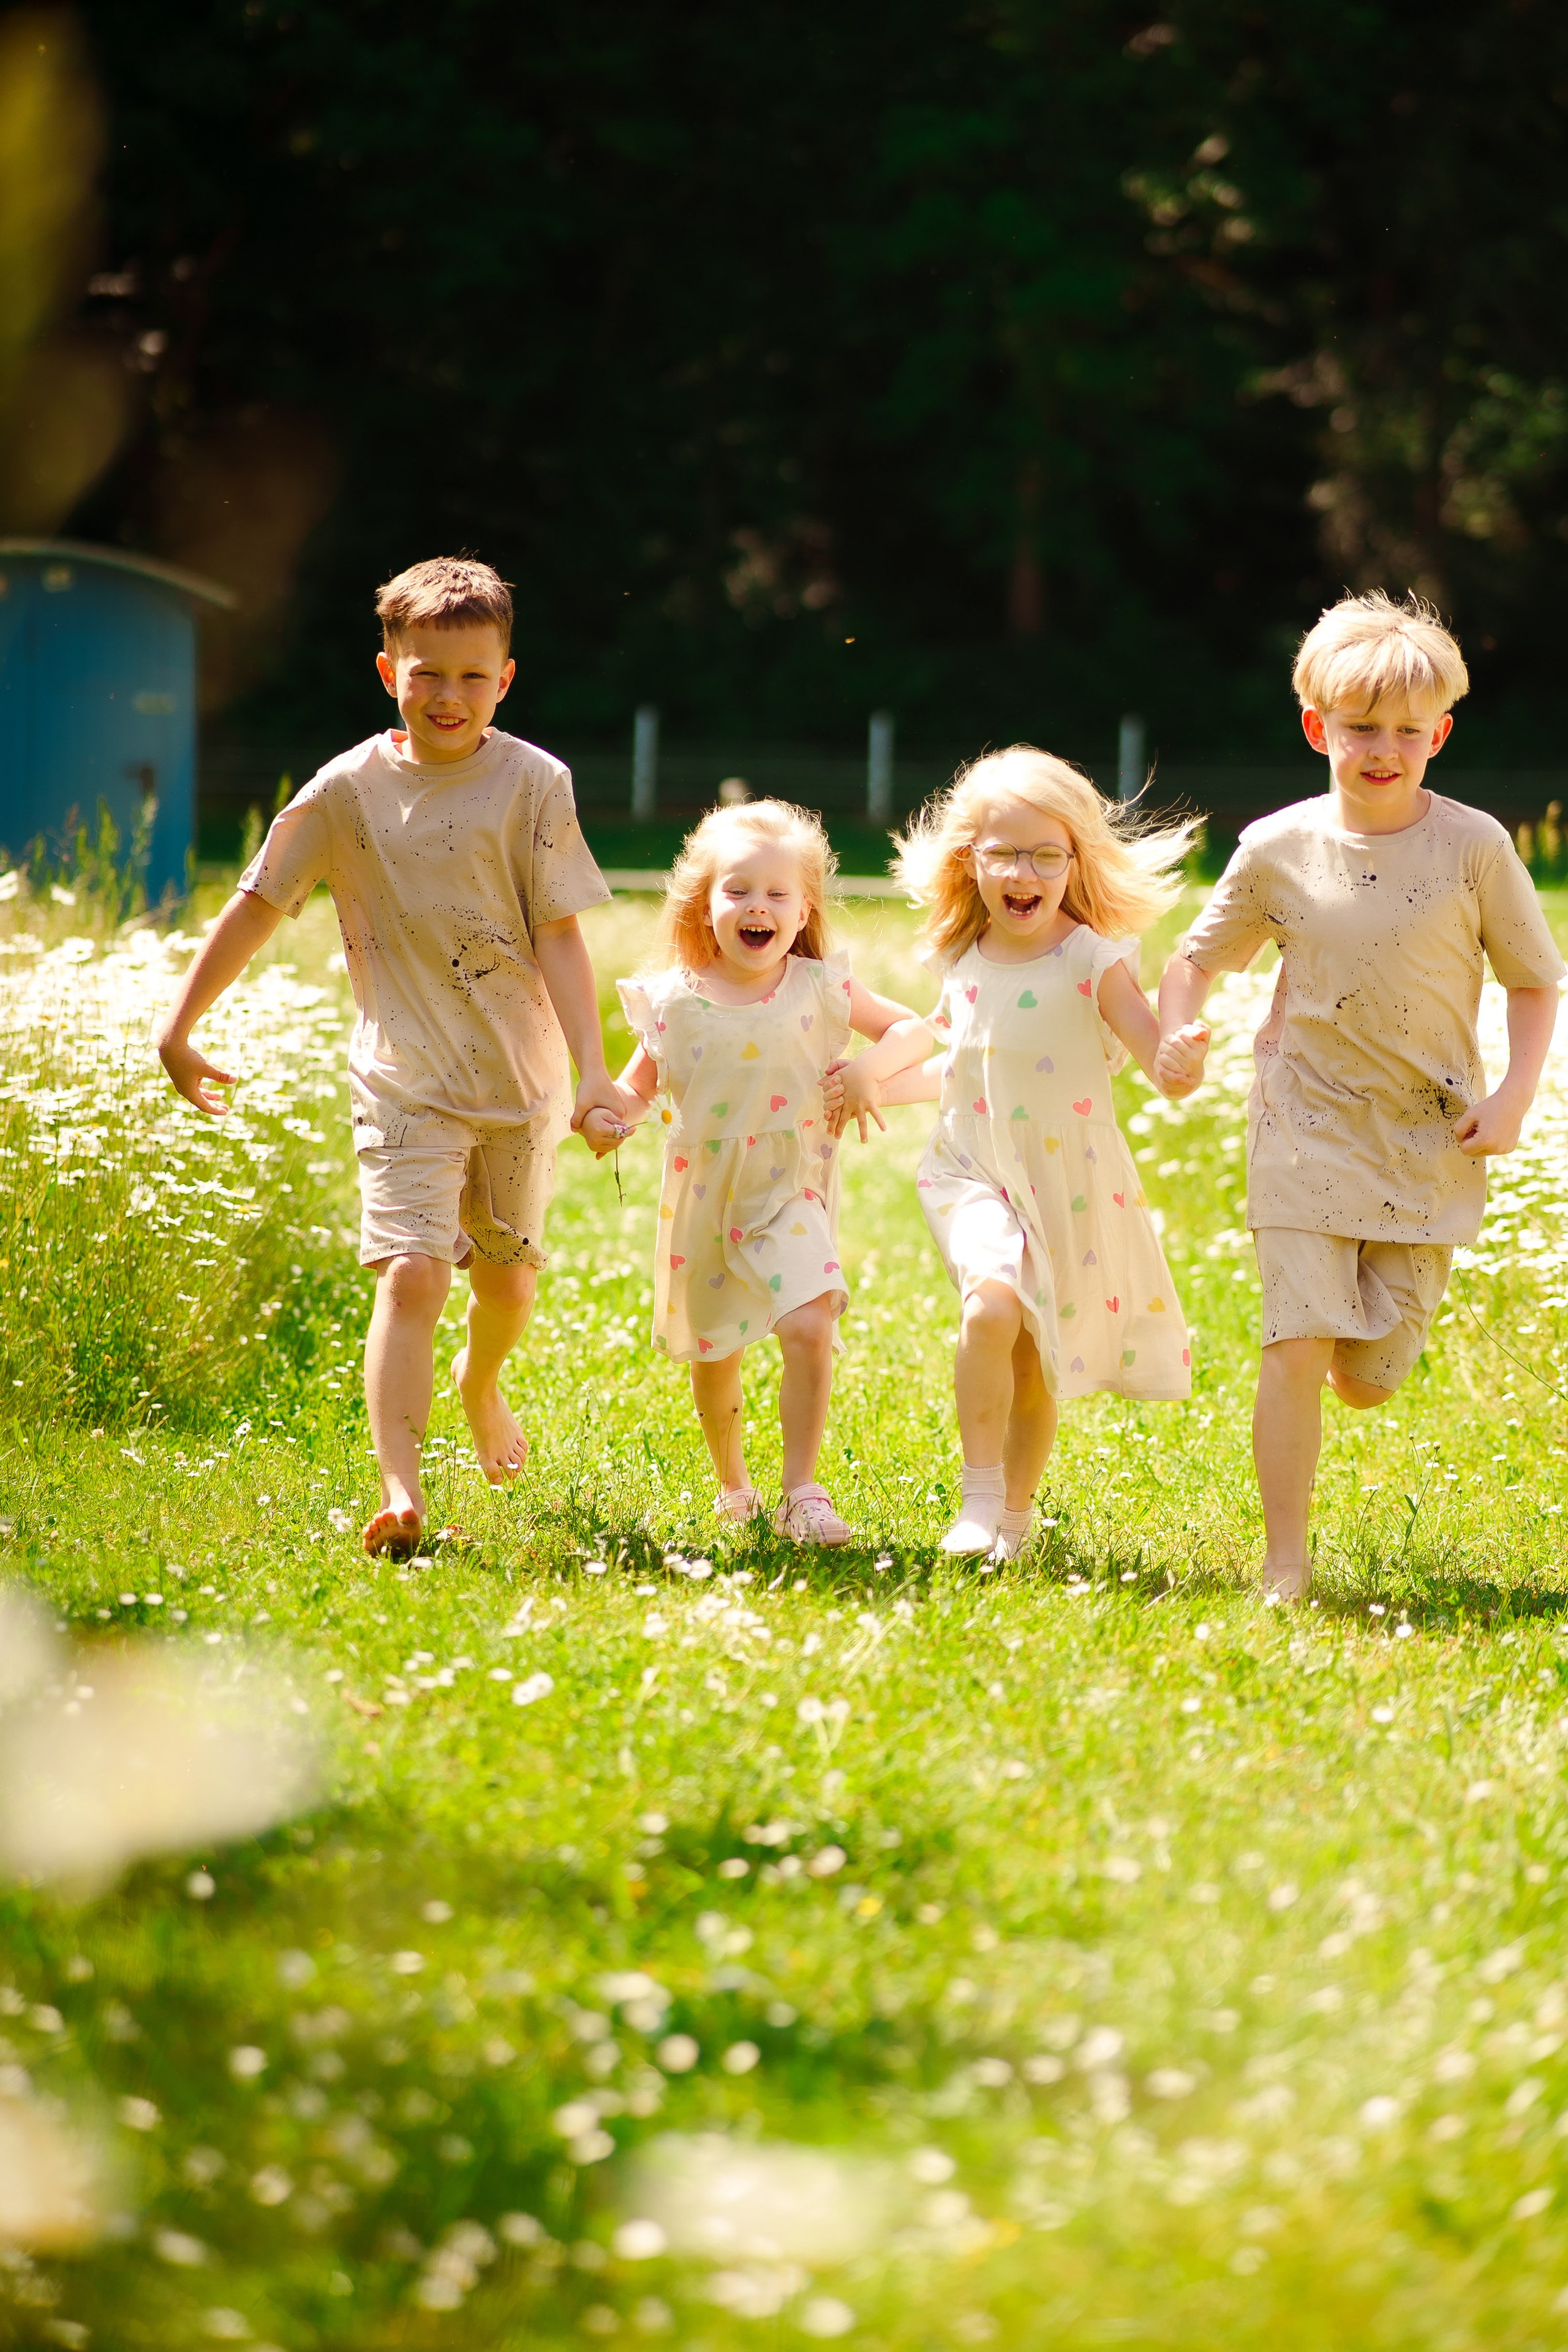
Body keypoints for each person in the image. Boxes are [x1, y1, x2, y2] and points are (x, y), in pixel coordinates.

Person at [156, 555, 622, 1558]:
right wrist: (180, 1025)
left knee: (505, 1286)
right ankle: (401, 1492)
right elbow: (256, 904)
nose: (446, 696)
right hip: (403, 1078)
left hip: (520, 1082)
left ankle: (479, 1382)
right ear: (387, 673)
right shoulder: (347, 793)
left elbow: (560, 937)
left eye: (469, 676)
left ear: (504, 679)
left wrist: (591, 1072)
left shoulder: (536, 784)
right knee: (413, 1275)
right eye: (426, 675)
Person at [1156, 589, 1564, 1602]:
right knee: (1294, 1343)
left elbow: (1535, 980)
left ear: (1440, 734)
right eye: (1359, 730)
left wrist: (1515, 1095)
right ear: (1316, 729)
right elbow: (1195, 961)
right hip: (1303, 1123)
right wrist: (1178, 1029)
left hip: (1429, 1138)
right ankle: (1283, 1566)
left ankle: (1362, 1350)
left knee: (1368, 1379)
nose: (1382, 749)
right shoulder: (1277, 849)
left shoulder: (1475, 848)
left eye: (1405, 732)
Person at [842, 745, 1209, 1559]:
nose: (1025, 872)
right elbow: (961, 1064)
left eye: (1047, 855)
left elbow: (1158, 1063)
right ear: (969, 861)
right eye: (1004, 853)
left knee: (1039, 1363)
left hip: (1067, 1184)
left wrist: (1181, 1060)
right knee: (992, 1303)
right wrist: (866, 1081)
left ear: (1076, 862)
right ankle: (977, 1500)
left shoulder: (1093, 959)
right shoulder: (963, 956)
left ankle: (1012, 1522)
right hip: (971, 1169)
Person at [584, 799, 930, 1544]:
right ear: (703, 904)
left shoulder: (818, 987)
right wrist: (604, 1116)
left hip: (790, 1190)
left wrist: (870, 1069)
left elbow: (914, 1028)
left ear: (803, 910)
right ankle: (733, 1485)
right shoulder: (674, 1003)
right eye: (737, 891)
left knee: (809, 1324)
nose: (757, 908)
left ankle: (802, 1491)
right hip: (705, 1201)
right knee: (716, 1354)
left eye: (777, 894)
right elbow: (633, 1091)